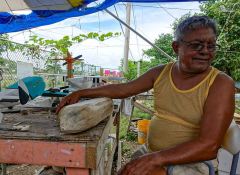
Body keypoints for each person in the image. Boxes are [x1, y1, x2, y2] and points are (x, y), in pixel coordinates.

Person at [56, 16, 235, 175]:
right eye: (196, 45)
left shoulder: (220, 83)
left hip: (193, 164)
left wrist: (153, 160)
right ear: (176, 47)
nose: (205, 51)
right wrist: (82, 93)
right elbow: (123, 90)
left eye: (211, 45)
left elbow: (208, 146)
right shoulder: (161, 72)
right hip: (153, 153)